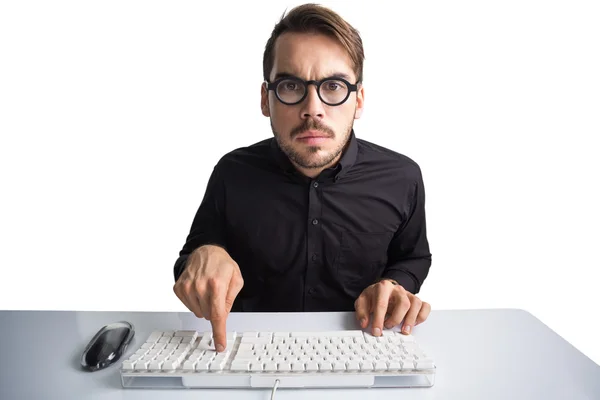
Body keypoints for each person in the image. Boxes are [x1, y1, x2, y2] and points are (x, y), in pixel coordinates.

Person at [173, 3, 432, 353]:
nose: (313, 108)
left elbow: (413, 257)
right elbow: (189, 266)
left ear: (358, 101)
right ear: (266, 100)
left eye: (335, 85)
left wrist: (394, 283)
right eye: (292, 85)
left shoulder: (402, 177)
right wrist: (205, 252)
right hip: (246, 354)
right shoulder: (231, 174)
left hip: (365, 349)